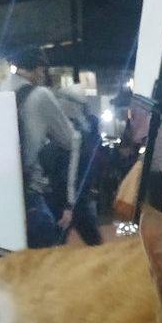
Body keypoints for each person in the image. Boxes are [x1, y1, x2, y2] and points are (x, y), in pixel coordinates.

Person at [0, 47, 81, 249]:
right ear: (37, 69)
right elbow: (72, 141)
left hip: (0, 196)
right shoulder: (40, 95)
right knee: (44, 266)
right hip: (30, 196)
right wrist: (69, 202)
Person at [54, 84, 103, 246]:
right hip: (69, 196)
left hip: (73, 195)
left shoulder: (76, 129)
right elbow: (71, 170)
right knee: (93, 241)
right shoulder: (71, 132)